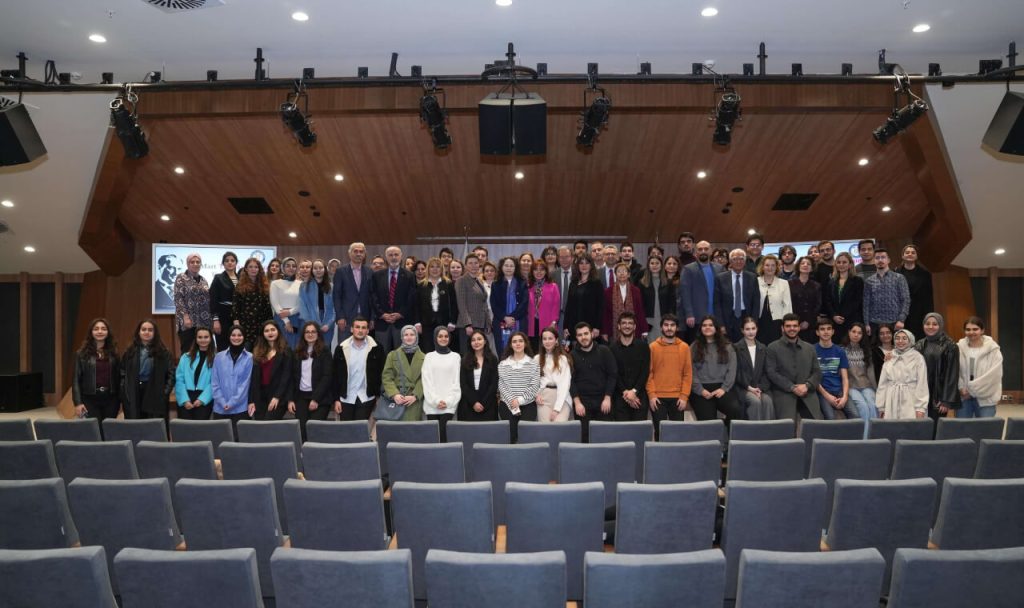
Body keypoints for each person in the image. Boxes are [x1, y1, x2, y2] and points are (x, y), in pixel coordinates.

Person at [766, 313, 823, 420]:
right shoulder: (772, 347)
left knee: (814, 427)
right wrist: (791, 387)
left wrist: (807, 385)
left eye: (795, 326)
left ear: (799, 327)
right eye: (788, 326)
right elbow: (772, 373)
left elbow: (817, 372)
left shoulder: (809, 348)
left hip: (807, 393)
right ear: (782, 328)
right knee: (786, 429)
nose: (792, 329)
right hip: (784, 393)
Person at [689, 316, 744, 422]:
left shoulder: (728, 346)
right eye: (704, 325)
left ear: (716, 328)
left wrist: (724, 388)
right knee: (709, 422)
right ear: (700, 328)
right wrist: (700, 390)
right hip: (701, 390)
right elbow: (691, 372)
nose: (707, 327)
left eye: (710, 325)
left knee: (736, 410)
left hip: (722, 388)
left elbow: (732, 370)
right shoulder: (693, 347)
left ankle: (727, 435)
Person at [569, 322, 617, 442]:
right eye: (580, 335)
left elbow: (612, 375)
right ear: (576, 338)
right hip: (582, 404)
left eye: (586, 333)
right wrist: (577, 402)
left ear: (592, 334)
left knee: (604, 437)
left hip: (603, 402)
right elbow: (571, 381)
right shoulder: (572, 355)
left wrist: (607, 398)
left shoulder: (604, 351)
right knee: (584, 438)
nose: (583, 337)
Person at [333, 316, 385, 422]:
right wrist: (336, 399)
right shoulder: (340, 349)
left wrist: (378, 396)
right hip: (345, 398)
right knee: (346, 432)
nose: (360, 330)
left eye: (363, 328)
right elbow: (334, 375)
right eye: (357, 327)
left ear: (368, 330)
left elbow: (382, 373)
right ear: (352, 329)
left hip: (366, 397)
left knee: (361, 432)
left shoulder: (377, 348)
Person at [121, 319, 175, 421]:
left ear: (155, 333)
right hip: (134, 391)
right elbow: (122, 372)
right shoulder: (130, 351)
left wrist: (164, 392)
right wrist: (124, 391)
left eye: (150, 330)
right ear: (139, 332)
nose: (147, 332)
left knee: (154, 427)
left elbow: (171, 374)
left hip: (155, 393)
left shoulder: (164, 352)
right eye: (144, 329)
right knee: (135, 424)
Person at [288, 321, 333, 441]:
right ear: (303, 334)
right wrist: (291, 399)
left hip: (320, 398)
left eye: (313, 332)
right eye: (307, 332)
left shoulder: (325, 351)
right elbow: (292, 377)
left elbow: (327, 376)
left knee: (315, 430)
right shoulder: (296, 352)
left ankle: (315, 456)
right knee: (302, 430)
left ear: (318, 334)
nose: (310, 334)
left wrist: (316, 399)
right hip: (301, 397)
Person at [646, 314, 693, 427]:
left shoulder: (684, 347)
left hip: (678, 398)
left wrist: (684, 396)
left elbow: (687, 374)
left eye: (672, 325)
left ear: (677, 328)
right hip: (657, 398)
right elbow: (649, 373)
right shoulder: (652, 347)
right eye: (666, 325)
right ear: (661, 327)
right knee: (659, 432)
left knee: (676, 433)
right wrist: (652, 395)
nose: (669, 328)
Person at [72, 318, 122, 421]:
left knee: (108, 430)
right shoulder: (81, 354)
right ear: (91, 332)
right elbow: (76, 380)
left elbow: (119, 378)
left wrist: (121, 401)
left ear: (108, 332)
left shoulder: (114, 354)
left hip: (111, 399)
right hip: (89, 399)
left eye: (103, 329)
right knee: (94, 430)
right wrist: (78, 403)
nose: (100, 331)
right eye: (96, 329)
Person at [915, 312, 961, 421]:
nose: (930, 327)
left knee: (936, 428)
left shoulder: (950, 345)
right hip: (921, 394)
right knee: (921, 427)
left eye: (935, 324)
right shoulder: (919, 344)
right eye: (927, 324)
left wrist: (946, 400)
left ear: (940, 325)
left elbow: (952, 374)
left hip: (938, 395)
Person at [371, 246, 418, 353]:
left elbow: (411, 298)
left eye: (396, 255)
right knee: (382, 355)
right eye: (390, 255)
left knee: (401, 356)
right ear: (386, 258)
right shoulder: (377, 276)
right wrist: (382, 314)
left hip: (402, 322)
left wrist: (400, 313)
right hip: (382, 323)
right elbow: (373, 297)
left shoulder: (409, 276)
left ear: (401, 257)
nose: (393, 257)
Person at [876, 329, 929, 419]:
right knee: (892, 430)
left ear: (910, 340)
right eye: (897, 338)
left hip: (910, 400)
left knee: (909, 430)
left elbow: (922, 384)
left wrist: (920, 408)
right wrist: (881, 407)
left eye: (904, 338)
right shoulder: (889, 357)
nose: (900, 341)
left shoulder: (918, 358)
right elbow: (882, 384)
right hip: (891, 400)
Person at [957, 316, 1003, 419]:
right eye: (968, 329)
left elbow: (993, 376)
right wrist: (960, 388)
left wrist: (972, 391)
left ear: (982, 330)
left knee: (984, 432)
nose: (971, 332)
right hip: (964, 397)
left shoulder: (993, 350)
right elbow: (956, 372)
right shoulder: (959, 348)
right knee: (962, 430)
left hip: (986, 399)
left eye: (975, 329)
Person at [497, 331, 540, 441]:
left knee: (526, 438)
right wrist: (512, 401)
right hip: (507, 405)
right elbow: (502, 386)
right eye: (514, 341)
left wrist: (519, 401)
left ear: (525, 343)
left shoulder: (533, 363)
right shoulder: (503, 364)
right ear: (511, 345)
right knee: (510, 438)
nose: (518, 344)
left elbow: (534, 386)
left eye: (520, 341)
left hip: (528, 405)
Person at [421, 327, 462, 439]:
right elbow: (426, 381)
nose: (443, 339)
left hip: (449, 405)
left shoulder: (455, 357)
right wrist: (435, 401)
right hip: (431, 405)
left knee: (446, 438)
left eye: (446, 336)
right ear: (435, 338)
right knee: (433, 439)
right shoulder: (429, 356)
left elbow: (456, 382)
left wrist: (448, 401)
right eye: (440, 336)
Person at [610, 312, 650, 423]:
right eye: (624, 323)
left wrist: (634, 391)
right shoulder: (612, 349)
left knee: (639, 435)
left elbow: (645, 371)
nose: (627, 326)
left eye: (630, 323)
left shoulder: (643, 347)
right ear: (618, 326)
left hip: (639, 398)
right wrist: (626, 393)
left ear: (635, 326)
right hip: (619, 398)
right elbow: (614, 373)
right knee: (622, 435)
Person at [679, 241, 722, 342]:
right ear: (696, 252)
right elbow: (685, 293)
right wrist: (689, 314)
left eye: (706, 249)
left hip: (716, 316)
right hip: (697, 317)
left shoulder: (719, 268)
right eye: (700, 249)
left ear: (711, 251)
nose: (703, 251)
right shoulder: (688, 269)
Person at [733, 317, 774, 421]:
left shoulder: (763, 348)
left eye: (753, 328)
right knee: (755, 401)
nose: (751, 332)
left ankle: (769, 433)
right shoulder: (735, 348)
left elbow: (767, 371)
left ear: (757, 329)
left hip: (760, 388)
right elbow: (736, 373)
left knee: (768, 401)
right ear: (742, 330)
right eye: (747, 329)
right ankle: (755, 433)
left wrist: (759, 388)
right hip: (742, 388)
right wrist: (749, 388)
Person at [249, 319, 292, 420]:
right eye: (266, 331)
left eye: (273, 330)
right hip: (261, 396)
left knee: (268, 423)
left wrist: (277, 397)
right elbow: (254, 379)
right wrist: (252, 400)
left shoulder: (286, 351)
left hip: (279, 396)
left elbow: (286, 377)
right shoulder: (257, 351)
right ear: (263, 334)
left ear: (278, 331)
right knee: (259, 424)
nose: (270, 333)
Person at [381, 325, 425, 421]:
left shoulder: (424, 357)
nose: (409, 337)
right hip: (397, 399)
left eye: (412, 334)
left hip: (414, 400)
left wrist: (415, 395)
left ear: (416, 337)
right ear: (401, 337)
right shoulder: (392, 355)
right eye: (406, 335)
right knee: (397, 431)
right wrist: (394, 394)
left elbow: (425, 378)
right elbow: (387, 377)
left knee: (413, 430)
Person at [211, 326, 253, 427]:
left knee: (239, 440)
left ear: (244, 337)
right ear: (229, 337)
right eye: (233, 335)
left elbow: (245, 384)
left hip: (240, 409)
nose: (236, 338)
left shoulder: (250, 357)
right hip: (220, 408)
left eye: (239, 335)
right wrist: (222, 402)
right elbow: (214, 382)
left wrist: (231, 403)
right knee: (220, 440)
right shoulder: (219, 357)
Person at [715, 249, 760, 343]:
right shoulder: (720, 278)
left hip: (746, 316)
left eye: (741, 258)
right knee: (728, 346)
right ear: (730, 261)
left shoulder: (752, 277)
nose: (738, 261)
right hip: (728, 317)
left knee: (746, 345)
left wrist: (754, 321)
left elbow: (756, 302)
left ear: (745, 261)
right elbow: (717, 303)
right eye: (735, 259)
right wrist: (720, 324)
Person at [863, 248, 910, 337]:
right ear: (874, 261)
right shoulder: (869, 281)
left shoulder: (899, 278)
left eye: (883, 257)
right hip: (874, 323)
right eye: (877, 258)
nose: (880, 260)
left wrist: (901, 320)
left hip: (895, 323)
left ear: (888, 260)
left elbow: (906, 300)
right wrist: (866, 324)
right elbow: (866, 303)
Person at [814, 319, 854, 421]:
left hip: (839, 390)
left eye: (828, 329)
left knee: (855, 416)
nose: (826, 332)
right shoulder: (812, 350)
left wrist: (844, 397)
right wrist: (828, 396)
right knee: (830, 418)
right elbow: (812, 378)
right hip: (822, 391)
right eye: (822, 329)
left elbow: (845, 378)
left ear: (833, 331)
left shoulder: (840, 351)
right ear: (817, 332)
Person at [333, 242, 373, 343]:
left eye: (361, 252)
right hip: (346, 319)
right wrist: (340, 316)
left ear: (364, 254)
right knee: (344, 349)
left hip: (365, 317)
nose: (358, 254)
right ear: (350, 253)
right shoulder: (340, 272)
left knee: (365, 349)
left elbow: (372, 296)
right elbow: (336, 296)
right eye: (355, 251)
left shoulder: (369, 272)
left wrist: (372, 318)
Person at [417, 256, 458, 353]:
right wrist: (417, 323)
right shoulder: (421, 285)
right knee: (428, 351)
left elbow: (454, 304)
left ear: (442, 269)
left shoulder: (449, 284)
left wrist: (452, 321)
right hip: (426, 324)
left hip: (445, 323)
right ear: (428, 269)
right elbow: (417, 306)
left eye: (438, 267)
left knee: (444, 350)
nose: (435, 269)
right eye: (432, 267)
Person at [232, 257, 274, 350]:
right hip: (245, 325)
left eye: (256, 267)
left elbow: (267, 306)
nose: (253, 269)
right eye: (250, 267)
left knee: (260, 354)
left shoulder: (264, 285)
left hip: (261, 325)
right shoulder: (240, 285)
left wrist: (270, 323)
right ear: (246, 269)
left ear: (259, 269)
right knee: (245, 353)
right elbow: (235, 306)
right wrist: (236, 323)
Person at [843, 322, 877, 434]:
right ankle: (865, 440)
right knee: (863, 407)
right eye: (853, 332)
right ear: (848, 332)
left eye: (859, 333)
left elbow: (870, 373)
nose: (856, 335)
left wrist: (876, 390)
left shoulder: (867, 350)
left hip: (866, 385)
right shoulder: (841, 350)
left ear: (863, 336)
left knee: (872, 405)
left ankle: (875, 438)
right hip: (851, 386)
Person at [823, 252, 864, 344]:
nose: (841, 265)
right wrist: (834, 315)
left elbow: (857, 301)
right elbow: (828, 301)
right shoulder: (832, 282)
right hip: (835, 321)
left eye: (844, 262)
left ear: (850, 264)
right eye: (839, 262)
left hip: (852, 320)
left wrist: (843, 316)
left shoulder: (857, 281)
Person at [174, 326, 214, 420]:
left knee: (200, 431)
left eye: (206, 337)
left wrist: (202, 399)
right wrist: (184, 400)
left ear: (211, 339)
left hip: (204, 398)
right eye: (200, 337)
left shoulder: (216, 359)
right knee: (185, 430)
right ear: (195, 339)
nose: (203, 340)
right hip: (186, 396)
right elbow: (179, 380)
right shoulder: (185, 357)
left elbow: (215, 382)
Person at [895, 244, 934, 339]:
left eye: (913, 252)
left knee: (918, 339)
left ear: (916, 256)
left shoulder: (925, 274)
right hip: (900, 314)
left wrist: (929, 316)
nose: (910, 254)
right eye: (907, 252)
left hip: (919, 312)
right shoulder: (895, 273)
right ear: (902, 255)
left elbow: (928, 297)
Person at [459, 329, 499, 421]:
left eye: (479, 339)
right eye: (473, 340)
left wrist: (483, 403)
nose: (476, 342)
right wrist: (474, 402)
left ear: (485, 341)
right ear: (470, 343)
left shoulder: (493, 360)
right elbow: (463, 384)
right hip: (469, 404)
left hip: (488, 403)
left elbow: (494, 384)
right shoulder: (464, 360)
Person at [563, 254, 604, 345]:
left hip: (590, 325)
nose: (584, 266)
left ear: (591, 266)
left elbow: (600, 307)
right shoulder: (573, 283)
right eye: (581, 263)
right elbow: (569, 306)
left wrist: (597, 327)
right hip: (573, 325)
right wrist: (565, 326)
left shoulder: (596, 283)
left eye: (587, 263)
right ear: (577, 266)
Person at [174, 252, 211, 352]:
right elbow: (178, 299)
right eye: (192, 262)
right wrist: (185, 317)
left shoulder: (204, 280)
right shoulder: (181, 278)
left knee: (204, 352)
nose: (195, 264)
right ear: (187, 264)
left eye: (198, 262)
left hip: (204, 323)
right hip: (188, 323)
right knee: (188, 351)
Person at [603, 262, 648, 343]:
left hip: (634, 328)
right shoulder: (608, 291)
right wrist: (605, 332)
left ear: (629, 274)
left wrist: (644, 329)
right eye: (619, 271)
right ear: (615, 274)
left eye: (624, 271)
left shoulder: (636, 290)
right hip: (614, 329)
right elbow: (606, 313)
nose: (622, 274)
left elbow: (640, 310)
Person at [535, 327, 572, 422]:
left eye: (550, 338)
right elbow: (531, 381)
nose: (547, 341)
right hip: (543, 398)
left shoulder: (563, 359)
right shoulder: (536, 358)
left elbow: (564, 385)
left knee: (559, 430)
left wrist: (557, 409)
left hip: (562, 399)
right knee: (545, 431)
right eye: (544, 339)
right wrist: (536, 395)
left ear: (556, 341)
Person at [454, 254, 489, 353]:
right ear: (465, 266)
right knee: (467, 355)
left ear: (479, 265)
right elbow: (461, 304)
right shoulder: (461, 281)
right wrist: (467, 324)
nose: (473, 265)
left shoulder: (480, 281)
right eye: (470, 263)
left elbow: (483, 303)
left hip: (480, 324)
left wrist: (488, 322)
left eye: (476, 263)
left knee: (479, 355)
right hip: (468, 326)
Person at [490, 256, 527, 352]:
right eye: (506, 265)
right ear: (501, 267)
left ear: (516, 268)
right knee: (502, 351)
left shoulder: (522, 283)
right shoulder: (495, 284)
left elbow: (524, 303)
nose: (508, 268)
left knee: (519, 350)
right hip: (500, 322)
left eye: (511, 266)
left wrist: (512, 317)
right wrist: (505, 318)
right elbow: (494, 304)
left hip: (519, 321)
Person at [755, 254, 792, 345]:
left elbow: (787, 305)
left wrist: (786, 324)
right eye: (767, 265)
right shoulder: (755, 281)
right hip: (760, 321)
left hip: (777, 322)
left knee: (776, 347)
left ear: (777, 267)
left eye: (773, 265)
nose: (770, 268)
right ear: (762, 267)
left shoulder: (783, 283)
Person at [526, 260, 560, 352]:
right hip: (532, 324)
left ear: (546, 271)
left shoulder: (553, 286)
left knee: (548, 350)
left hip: (548, 323)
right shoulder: (528, 286)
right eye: (535, 270)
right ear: (532, 272)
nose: (539, 272)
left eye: (541, 269)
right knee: (533, 351)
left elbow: (556, 306)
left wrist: (553, 322)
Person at [638, 255, 674, 341]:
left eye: (657, 263)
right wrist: (642, 321)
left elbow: (672, 303)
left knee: (664, 344)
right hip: (648, 321)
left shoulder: (668, 282)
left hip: (664, 319)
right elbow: (640, 305)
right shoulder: (642, 283)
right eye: (652, 263)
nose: (654, 265)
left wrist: (671, 319)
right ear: (648, 265)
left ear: (661, 265)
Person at [300, 259, 336, 346]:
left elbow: (335, 308)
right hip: (310, 320)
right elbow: (303, 306)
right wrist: (310, 324)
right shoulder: (304, 285)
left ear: (325, 269)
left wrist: (328, 324)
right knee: (311, 349)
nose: (318, 270)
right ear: (312, 270)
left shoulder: (331, 286)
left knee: (326, 349)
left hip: (327, 321)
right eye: (315, 268)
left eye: (321, 268)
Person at [270, 257, 303, 349]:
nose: (291, 268)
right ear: (283, 268)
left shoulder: (301, 284)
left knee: (295, 348)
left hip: (296, 318)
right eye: (288, 266)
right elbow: (275, 303)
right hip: (280, 318)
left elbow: (301, 304)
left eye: (293, 266)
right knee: (280, 347)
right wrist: (286, 321)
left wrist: (290, 312)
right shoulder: (275, 283)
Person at [789, 255, 822, 343]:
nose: (805, 265)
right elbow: (788, 304)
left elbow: (817, 305)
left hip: (811, 324)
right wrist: (797, 321)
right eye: (802, 263)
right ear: (798, 266)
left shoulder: (816, 285)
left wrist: (808, 321)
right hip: (793, 323)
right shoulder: (789, 284)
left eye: (808, 264)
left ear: (811, 268)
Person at [209, 251, 238, 351]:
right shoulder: (218, 278)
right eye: (227, 261)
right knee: (223, 346)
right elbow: (213, 300)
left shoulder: (241, 278)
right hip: (223, 317)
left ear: (236, 263)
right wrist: (215, 320)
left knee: (237, 345)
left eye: (232, 260)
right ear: (223, 264)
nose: (230, 262)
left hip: (238, 317)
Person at [554, 246, 575, 335]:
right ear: (558, 259)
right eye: (561, 257)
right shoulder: (552, 275)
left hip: (575, 315)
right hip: (559, 315)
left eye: (566, 257)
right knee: (559, 343)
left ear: (572, 258)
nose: (564, 259)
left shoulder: (579, 273)